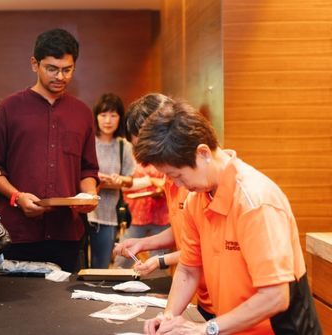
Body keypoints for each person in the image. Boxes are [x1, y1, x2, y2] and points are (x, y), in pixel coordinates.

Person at [136, 102, 320, 335]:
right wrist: (168, 317)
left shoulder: (254, 201)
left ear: (203, 153)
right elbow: (188, 270)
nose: (179, 186)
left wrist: (206, 329)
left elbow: (275, 297)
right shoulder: (197, 199)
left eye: (178, 176)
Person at [0, 28, 99, 272]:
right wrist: (17, 197)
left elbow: (88, 169)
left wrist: (88, 197)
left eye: (67, 70)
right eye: (52, 69)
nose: (60, 76)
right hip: (17, 234)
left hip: (66, 234)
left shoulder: (82, 113)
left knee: (64, 308)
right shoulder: (7, 109)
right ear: (35, 64)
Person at [113, 93, 215, 320]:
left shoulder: (196, 180)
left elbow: (203, 247)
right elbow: (185, 231)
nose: (145, 160)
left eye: (148, 148)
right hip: (204, 294)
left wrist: (160, 260)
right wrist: (144, 243)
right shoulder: (173, 178)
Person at [86, 93, 135, 269]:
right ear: (96, 117)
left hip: (109, 214)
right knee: (77, 265)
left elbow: (130, 180)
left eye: (113, 115)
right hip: (83, 212)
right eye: (103, 115)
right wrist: (95, 178)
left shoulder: (124, 146)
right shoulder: (88, 142)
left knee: (101, 265)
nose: (108, 120)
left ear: (120, 118)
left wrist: (118, 179)